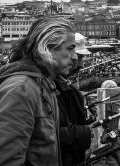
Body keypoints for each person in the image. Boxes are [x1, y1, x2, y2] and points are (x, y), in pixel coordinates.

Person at [0, 17, 77, 166]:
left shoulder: (45, 85)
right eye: (70, 48)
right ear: (47, 48)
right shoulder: (21, 90)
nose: (74, 57)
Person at [56, 32, 93, 166]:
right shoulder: (43, 88)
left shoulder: (72, 92)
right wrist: (82, 134)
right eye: (79, 57)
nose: (81, 64)